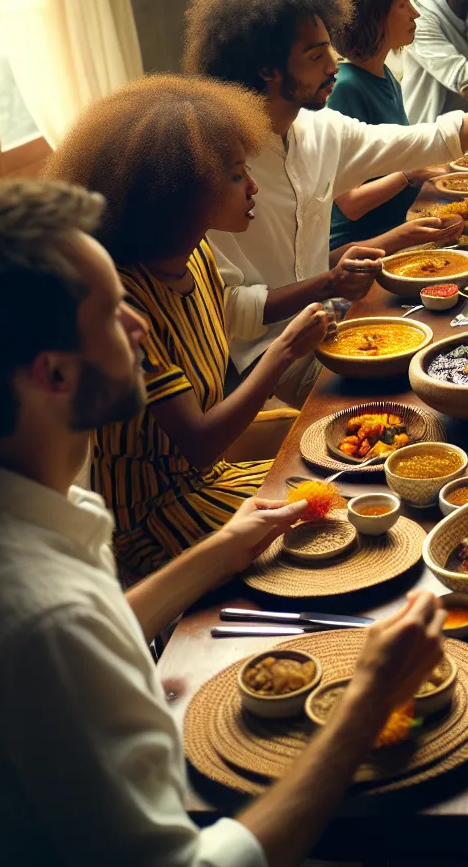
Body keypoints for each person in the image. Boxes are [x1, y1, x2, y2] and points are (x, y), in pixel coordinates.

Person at [0, 179, 449, 866]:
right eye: (115, 311)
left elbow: (90, 636)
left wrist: (217, 553)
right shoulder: (43, 621)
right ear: (52, 373)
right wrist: (367, 707)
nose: (140, 323)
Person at [183, 0, 468, 388]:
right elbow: (229, 309)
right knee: (442, 378)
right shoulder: (219, 167)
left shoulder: (320, 130)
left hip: (328, 328)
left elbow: (435, 138)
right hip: (269, 364)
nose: (331, 67)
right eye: (314, 56)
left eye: (330, 49)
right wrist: (329, 283)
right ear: (266, 69)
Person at [44, 75, 325, 580]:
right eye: (238, 175)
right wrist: (282, 350)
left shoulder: (195, 254)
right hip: (155, 516)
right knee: (327, 520)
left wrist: (328, 280)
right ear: (179, 193)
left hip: (210, 480)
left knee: (341, 482)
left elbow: (227, 318)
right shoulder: (124, 301)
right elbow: (197, 444)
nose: (253, 186)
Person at [326, 0, 430, 250]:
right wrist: (412, 173)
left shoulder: (386, 76)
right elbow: (350, 204)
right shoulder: (345, 89)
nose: (415, 14)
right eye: (404, 4)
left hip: (399, 225)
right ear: (375, 14)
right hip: (359, 245)